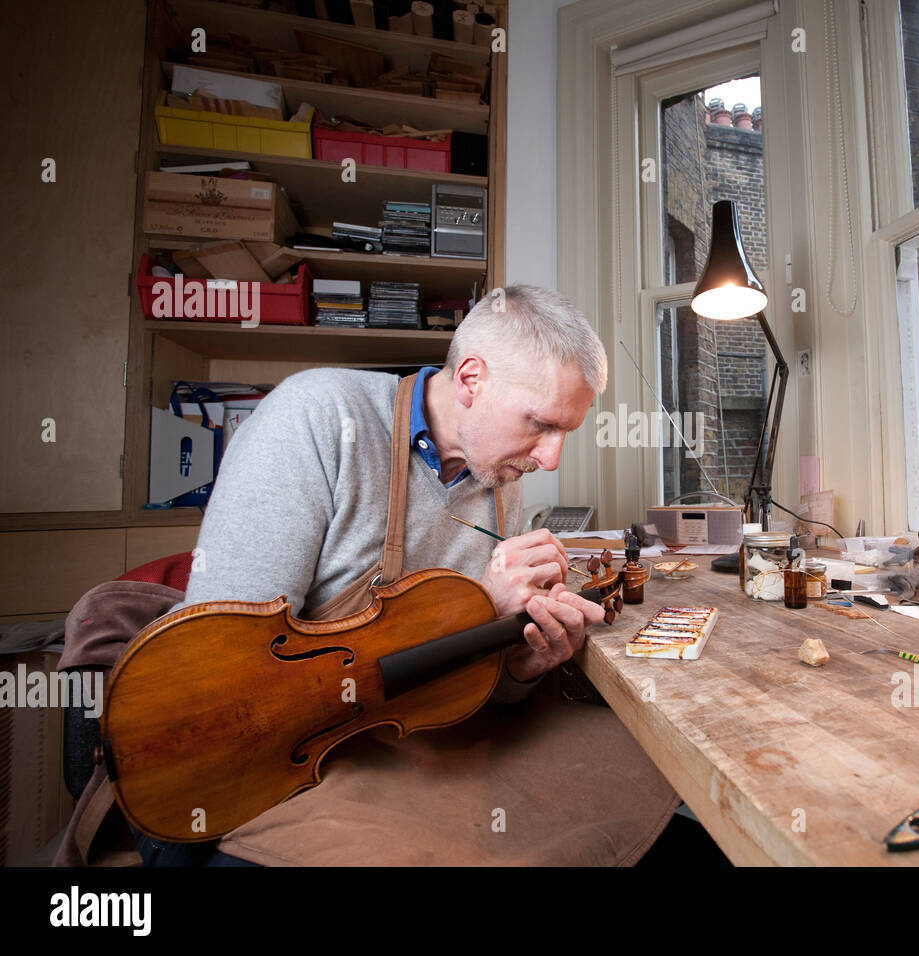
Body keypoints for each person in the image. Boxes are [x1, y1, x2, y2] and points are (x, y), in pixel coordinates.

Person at [136, 284, 680, 866]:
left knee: (639, 764)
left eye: (564, 432)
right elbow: (221, 683)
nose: (550, 459)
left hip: (406, 736)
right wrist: (473, 615)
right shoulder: (316, 417)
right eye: (541, 425)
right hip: (273, 755)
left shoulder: (497, 476)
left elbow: (457, 690)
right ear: (471, 379)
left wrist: (517, 664)